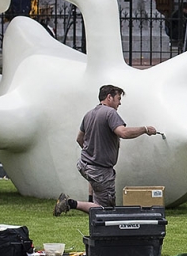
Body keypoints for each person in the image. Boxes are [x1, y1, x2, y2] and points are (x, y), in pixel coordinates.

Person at [54, 85, 159, 215]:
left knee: (100, 204)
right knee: (105, 211)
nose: (120, 103)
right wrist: (145, 129)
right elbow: (123, 133)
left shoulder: (89, 114)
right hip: (100, 171)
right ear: (109, 97)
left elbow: (79, 138)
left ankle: (79, 202)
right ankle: (70, 203)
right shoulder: (110, 113)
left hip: (84, 165)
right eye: (118, 98)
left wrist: (92, 153)